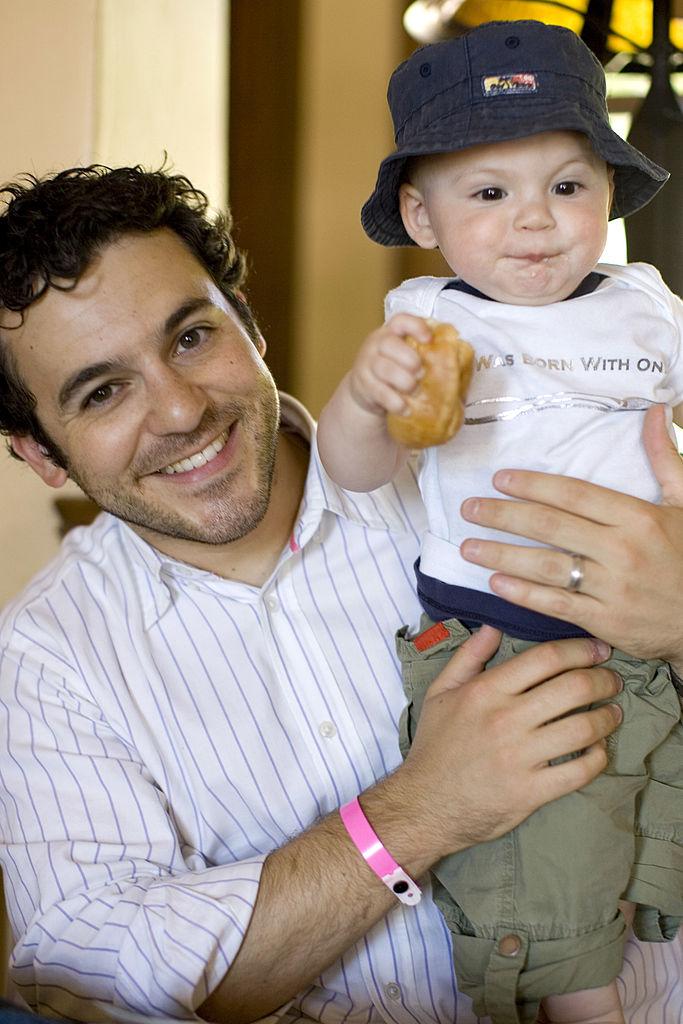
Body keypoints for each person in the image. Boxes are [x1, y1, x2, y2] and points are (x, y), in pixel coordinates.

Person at [0, 165, 676, 1024]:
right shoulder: (46, 656)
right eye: (102, 392)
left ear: (249, 324)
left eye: (190, 337)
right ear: (43, 455)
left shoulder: (499, 463)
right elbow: (88, 978)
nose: (177, 410)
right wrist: (420, 810)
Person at [317, 19, 683, 1024]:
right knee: (557, 879)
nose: (534, 220)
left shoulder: (647, 307)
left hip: (655, 633)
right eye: (488, 192)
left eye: (565, 185)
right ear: (419, 213)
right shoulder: (430, 327)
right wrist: (360, 399)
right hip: (505, 640)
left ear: (608, 194)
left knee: (644, 837)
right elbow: (354, 473)